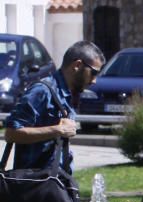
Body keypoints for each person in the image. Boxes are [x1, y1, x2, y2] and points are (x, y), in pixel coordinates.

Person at [4, 40, 105, 173]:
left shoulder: (67, 93)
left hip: (55, 182)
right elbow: (11, 133)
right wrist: (58, 130)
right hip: (34, 185)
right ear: (77, 65)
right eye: (93, 73)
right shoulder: (41, 91)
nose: (94, 80)